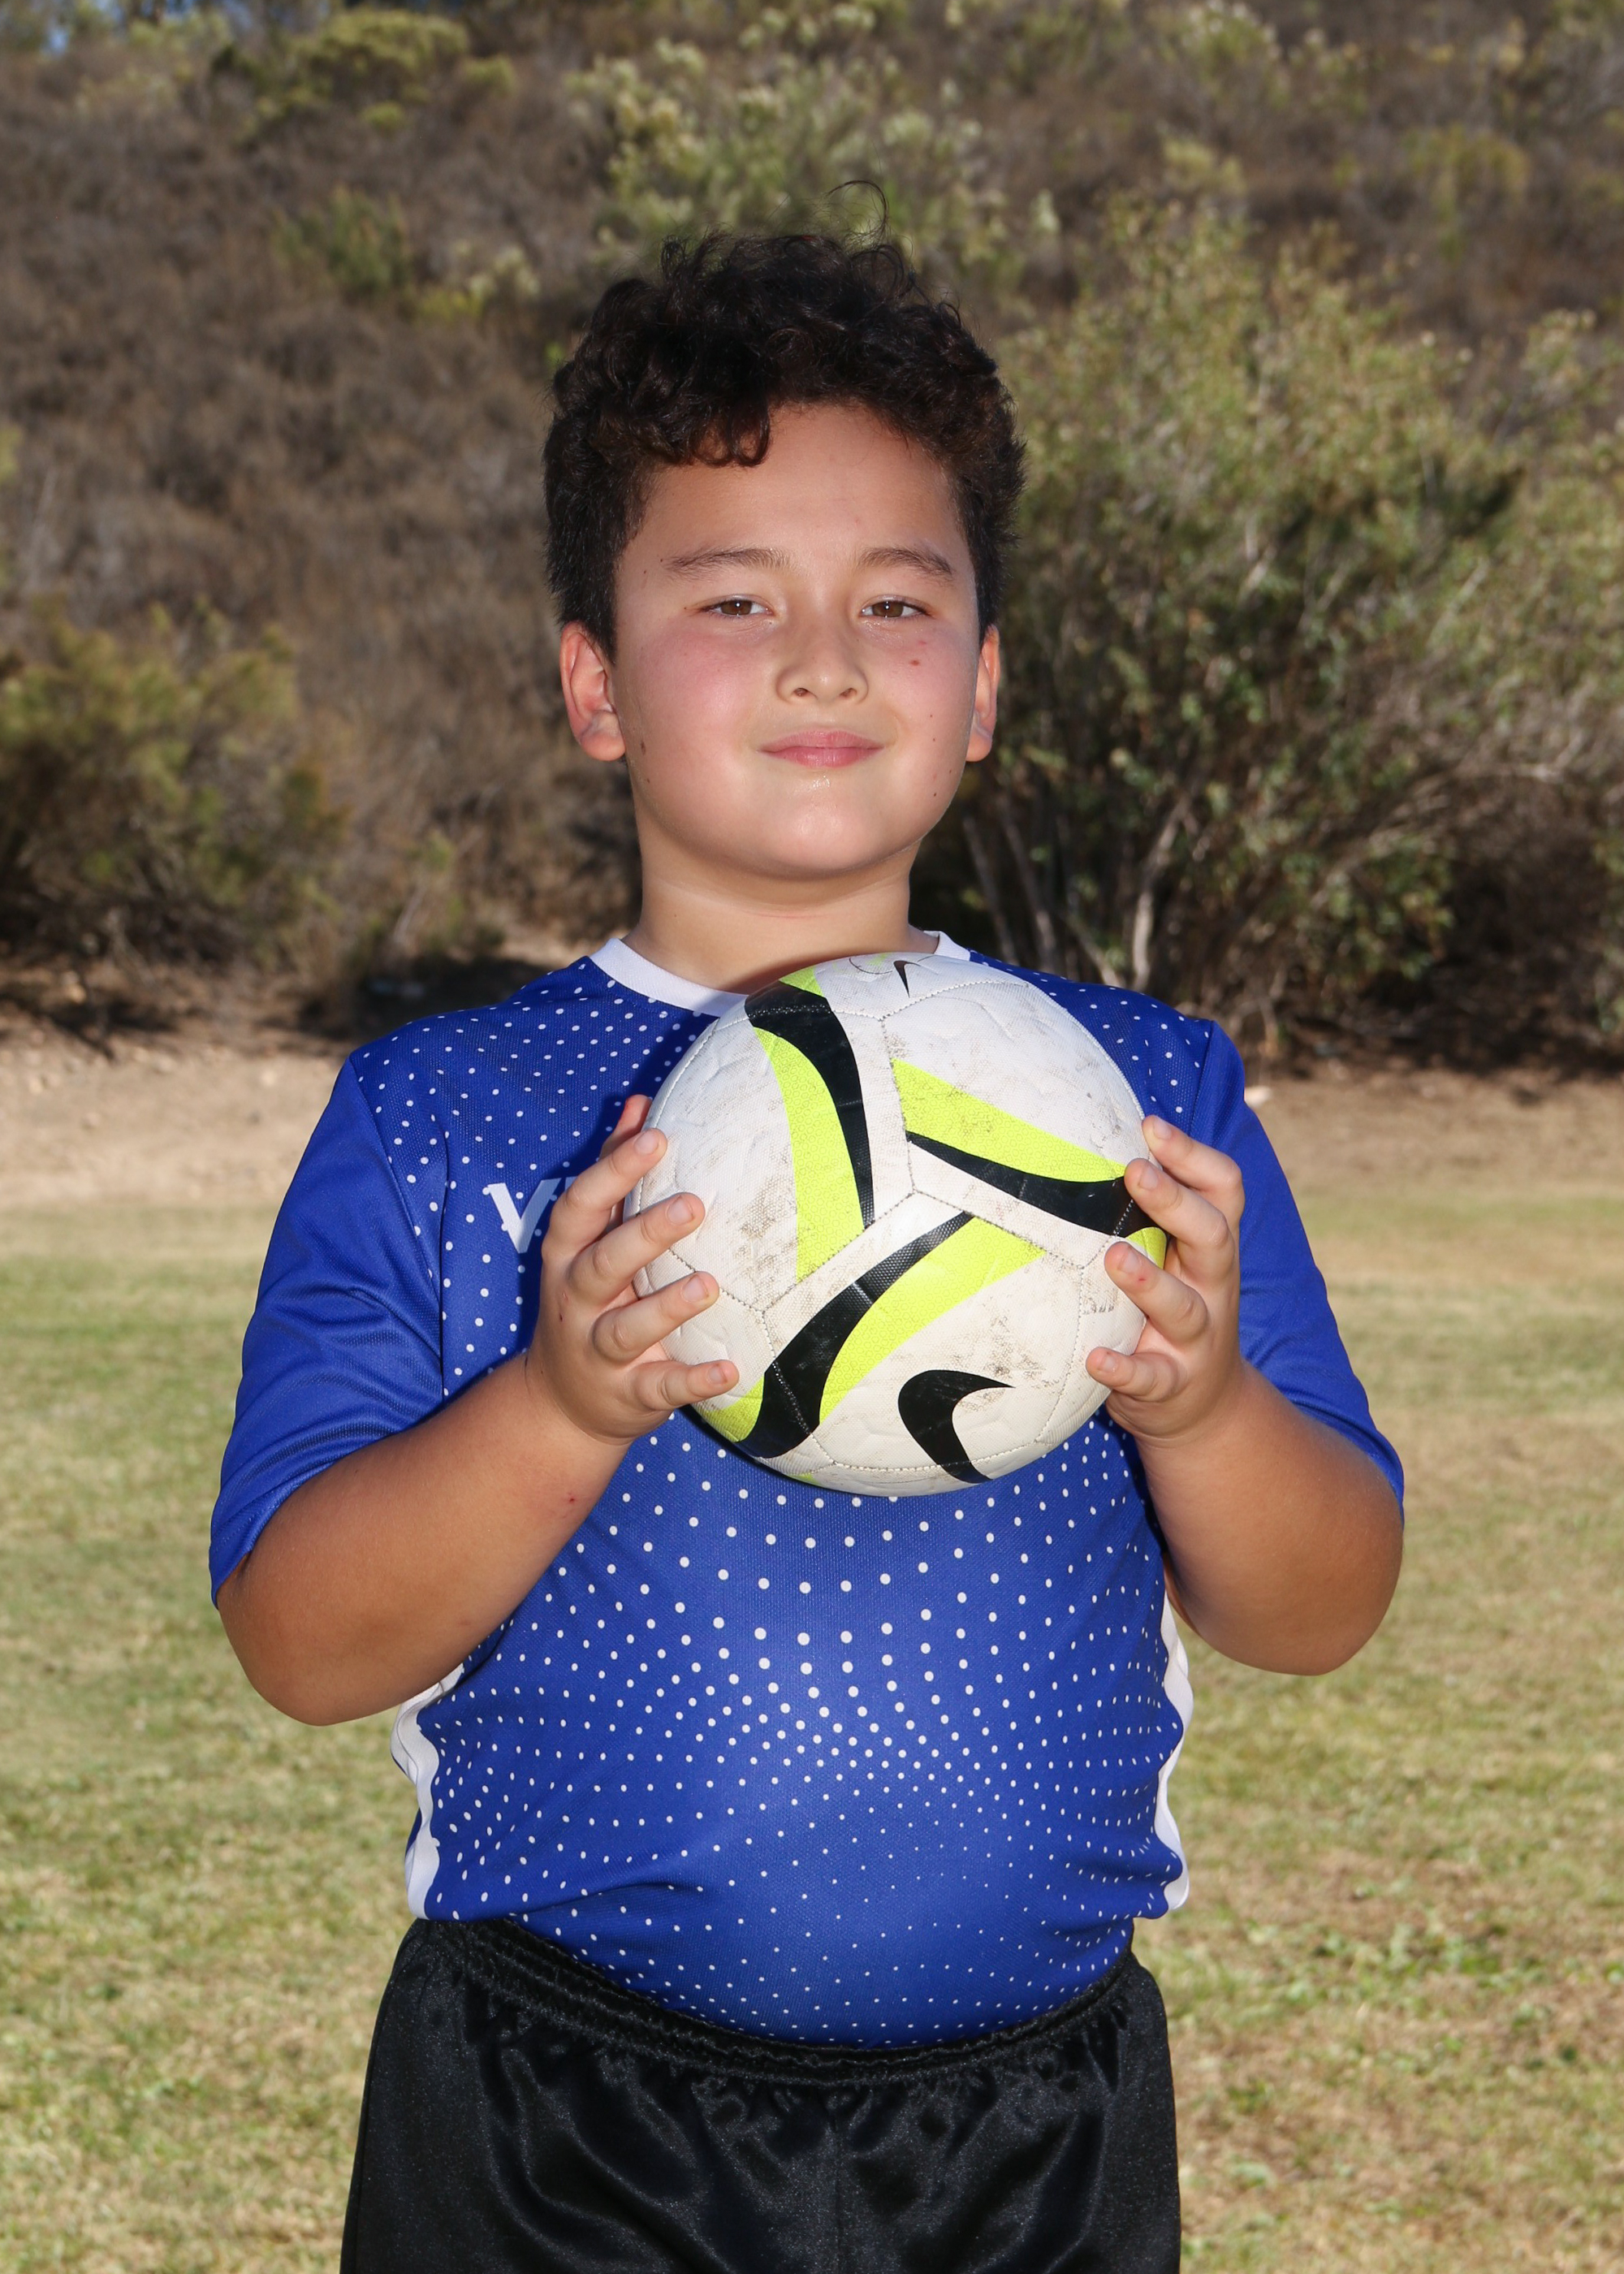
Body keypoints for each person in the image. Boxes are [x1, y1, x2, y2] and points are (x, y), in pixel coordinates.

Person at [211, 234, 1403, 2274]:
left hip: (1028, 2141)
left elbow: (1323, 1602)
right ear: (594, 680)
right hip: (557, 2127)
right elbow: (302, 1644)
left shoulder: (1145, 1101)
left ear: (985, 681)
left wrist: (1200, 1404)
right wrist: (561, 1401)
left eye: (898, 602)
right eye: (734, 596)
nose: (825, 659)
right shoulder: (447, 1114)